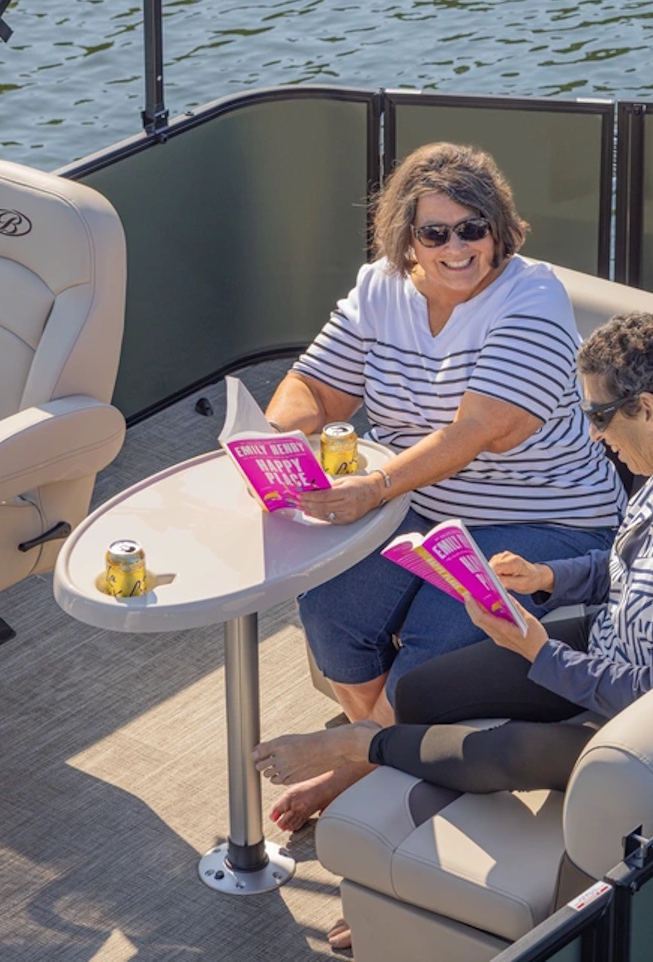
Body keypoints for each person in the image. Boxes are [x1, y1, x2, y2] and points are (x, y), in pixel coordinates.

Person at [255, 310, 653, 803]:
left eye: (598, 415)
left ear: (646, 410)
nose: (594, 434)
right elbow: (629, 569)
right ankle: (382, 766)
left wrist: (539, 653)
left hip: (652, 727)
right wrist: (545, 576)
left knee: (508, 750)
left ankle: (361, 747)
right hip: (612, 646)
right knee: (421, 691)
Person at [262, 142, 624, 832]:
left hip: (551, 521)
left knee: (437, 633)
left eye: (472, 229)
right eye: (435, 233)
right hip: (417, 505)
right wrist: (274, 440)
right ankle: (375, 754)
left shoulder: (533, 298)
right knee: (331, 601)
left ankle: (359, 772)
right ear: (408, 238)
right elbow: (315, 387)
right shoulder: (379, 290)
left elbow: (479, 430)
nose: (457, 248)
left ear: (499, 229)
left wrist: (372, 487)